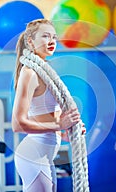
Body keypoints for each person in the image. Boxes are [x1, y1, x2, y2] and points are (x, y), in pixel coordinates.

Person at [11, 19, 83, 192]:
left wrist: (66, 132)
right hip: (33, 155)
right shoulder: (29, 73)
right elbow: (17, 124)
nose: (51, 41)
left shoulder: (44, 71)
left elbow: (43, 113)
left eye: (54, 37)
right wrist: (59, 125)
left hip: (45, 155)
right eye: (45, 36)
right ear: (30, 41)